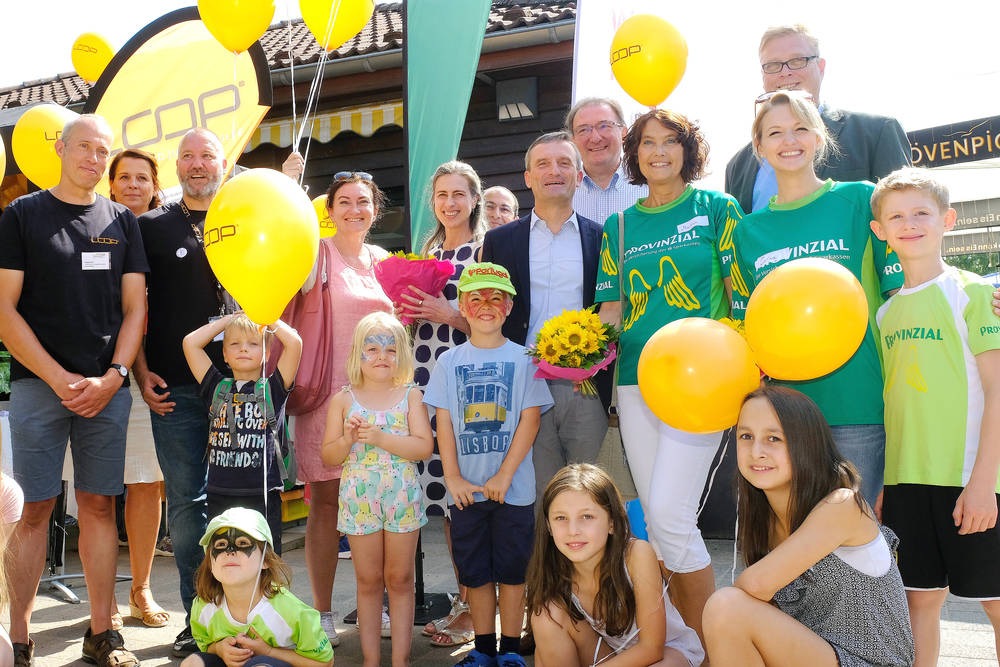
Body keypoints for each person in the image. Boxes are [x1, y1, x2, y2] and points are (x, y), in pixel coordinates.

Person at [0, 113, 147, 667]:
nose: (93, 158)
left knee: (98, 508)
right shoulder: (22, 216)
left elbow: (135, 311)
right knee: (33, 512)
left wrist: (112, 376)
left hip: (106, 389)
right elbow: (4, 311)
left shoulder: (123, 222)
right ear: (60, 148)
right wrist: (59, 378)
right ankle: (18, 637)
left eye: (102, 151)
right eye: (84, 147)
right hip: (42, 389)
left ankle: (102, 632)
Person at [595, 108, 741, 647]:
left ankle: (716, 647)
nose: (658, 152)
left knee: (669, 515)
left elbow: (740, 291)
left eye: (670, 141)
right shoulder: (621, 225)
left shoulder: (718, 208)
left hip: (699, 380)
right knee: (654, 523)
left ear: (688, 150)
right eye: (647, 143)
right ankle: (679, 642)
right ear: (633, 154)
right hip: (634, 379)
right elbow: (611, 309)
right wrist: (580, 348)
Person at [731, 90, 903, 508]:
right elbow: (745, 325)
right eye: (775, 132)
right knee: (793, 537)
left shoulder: (861, 199)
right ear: (759, 146)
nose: (789, 141)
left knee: (856, 537)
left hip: (857, 402)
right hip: (785, 414)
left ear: (819, 136)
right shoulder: (747, 232)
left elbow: (903, 288)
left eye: (800, 129)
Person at [869, 168, 1000, 666]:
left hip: (969, 478)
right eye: (896, 216)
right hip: (907, 484)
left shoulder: (972, 293)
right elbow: (898, 404)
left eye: (921, 212)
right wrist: (888, 483)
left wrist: (984, 483)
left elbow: (996, 390)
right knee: (919, 600)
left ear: (947, 219)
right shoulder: (885, 313)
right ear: (880, 231)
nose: (910, 224)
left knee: (996, 602)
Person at [703, 386, 914, 666]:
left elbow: (754, 586)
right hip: (817, 656)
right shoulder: (764, 521)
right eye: (746, 436)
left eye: (773, 438)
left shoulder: (842, 504)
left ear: (806, 442)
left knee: (726, 607)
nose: (757, 451)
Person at [133, 127, 234, 657]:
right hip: (175, 387)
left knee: (242, 499)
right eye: (188, 156)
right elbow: (132, 307)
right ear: (177, 166)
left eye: (207, 155)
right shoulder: (149, 226)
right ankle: (198, 620)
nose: (198, 165)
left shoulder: (247, 215)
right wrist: (140, 369)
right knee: (189, 507)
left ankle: (245, 614)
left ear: (224, 161)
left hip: (243, 388)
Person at [423, 262, 553, 667]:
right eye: (475, 298)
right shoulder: (448, 362)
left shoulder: (525, 359)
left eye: (495, 298)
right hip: (466, 494)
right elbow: (443, 422)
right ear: (462, 305)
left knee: (513, 574)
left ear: (509, 306)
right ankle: (483, 648)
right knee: (476, 573)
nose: (485, 306)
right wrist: (454, 478)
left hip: (513, 491)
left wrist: (504, 474)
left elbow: (530, 420)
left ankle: (510, 650)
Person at [481, 131, 609, 502]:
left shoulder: (602, 239)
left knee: (590, 491)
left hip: (584, 388)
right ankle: (545, 563)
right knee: (536, 496)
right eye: (543, 164)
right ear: (528, 177)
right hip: (524, 385)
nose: (554, 171)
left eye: (564, 163)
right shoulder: (500, 242)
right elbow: (491, 310)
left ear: (579, 175)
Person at [293, 171, 394, 645]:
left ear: (375, 209)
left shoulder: (386, 261)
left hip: (380, 398)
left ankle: (379, 604)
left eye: (364, 202)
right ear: (329, 211)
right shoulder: (316, 254)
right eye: (345, 202)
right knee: (326, 504)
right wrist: (291, 183)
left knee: (381, 501)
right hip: (327, 397)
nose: (355, 210)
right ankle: (323, 611)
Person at [398, 160, 486, 648]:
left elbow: (497, 323)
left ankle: (478, 607)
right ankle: (466, 600)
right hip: (427, 383)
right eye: (442, 195)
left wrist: (449, 314)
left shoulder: (486, 250)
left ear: (474, 199)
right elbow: (417, 323)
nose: (450, 203)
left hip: (472, 386)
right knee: (450, 503)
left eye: (459, 193)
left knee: (468, 496)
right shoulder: (429, 250)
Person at [321, 312, 433, 667]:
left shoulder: (410, 396)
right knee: (367, 579)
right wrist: (348, 438)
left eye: (390, 349)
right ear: (358, 354)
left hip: (401, 494)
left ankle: (400, 659)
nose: (381, 356)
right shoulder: (343, 400)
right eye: (372, 348)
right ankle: (371, 659)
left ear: (402, 354)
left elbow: (423, 448)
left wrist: (382, 438)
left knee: (400, 578)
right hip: (359, 497)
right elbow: (329, 456)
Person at [527, 464, 703, 667]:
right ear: (548, 526)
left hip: (667, 653)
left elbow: (652, 648)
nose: (573, 530)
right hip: (612, 654)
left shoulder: (636, 555)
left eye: (587, 517)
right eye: (561, 518)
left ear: (611, 522)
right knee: (546, 616)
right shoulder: (554, 569)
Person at [724, 24, 910, 214]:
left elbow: (907, 218)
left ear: (821, 67)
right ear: (762, 75)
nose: (785, 72)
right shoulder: (737, 167)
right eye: (773, 65)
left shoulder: (876, 134)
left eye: (797, 61)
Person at [107, 147, 170, 630]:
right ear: (111, 185)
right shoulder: (93, 228)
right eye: (123, 177)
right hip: (99, 373)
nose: (132, 185)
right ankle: (101, 595)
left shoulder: (166, 233)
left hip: (150, 375)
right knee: (98, 490)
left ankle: (141, 589)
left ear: (154, 184)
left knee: (146, 484)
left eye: (141, 178)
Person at [183, 313, 302, 546]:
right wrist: (230, 320)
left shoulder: (273, 388)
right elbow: (190, 343)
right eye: (234, 344)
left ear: (266, 352)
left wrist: (265, 316)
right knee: (222, 564)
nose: (243, 349)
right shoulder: (217, 387)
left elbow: (295, 343)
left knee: (265, 567)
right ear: (224, 354)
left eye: (253, 344)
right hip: (220, 494)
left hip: (263, 495)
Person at [183, 507, 334, 667]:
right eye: (221, 544)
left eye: (242, 543)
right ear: (210, 564)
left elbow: (325, 662)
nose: (230, 551)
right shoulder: (204, 606)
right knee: (192, 663)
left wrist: (269, 652)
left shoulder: (290, 612)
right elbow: (205, 646)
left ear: (266, 561)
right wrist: (219, 648)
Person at [565, 97, 648, 225]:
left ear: (623, 132)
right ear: (572, 140)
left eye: (604, 126)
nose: (595, 138)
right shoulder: (563, 193)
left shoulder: (649, 187)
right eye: (583, 130)